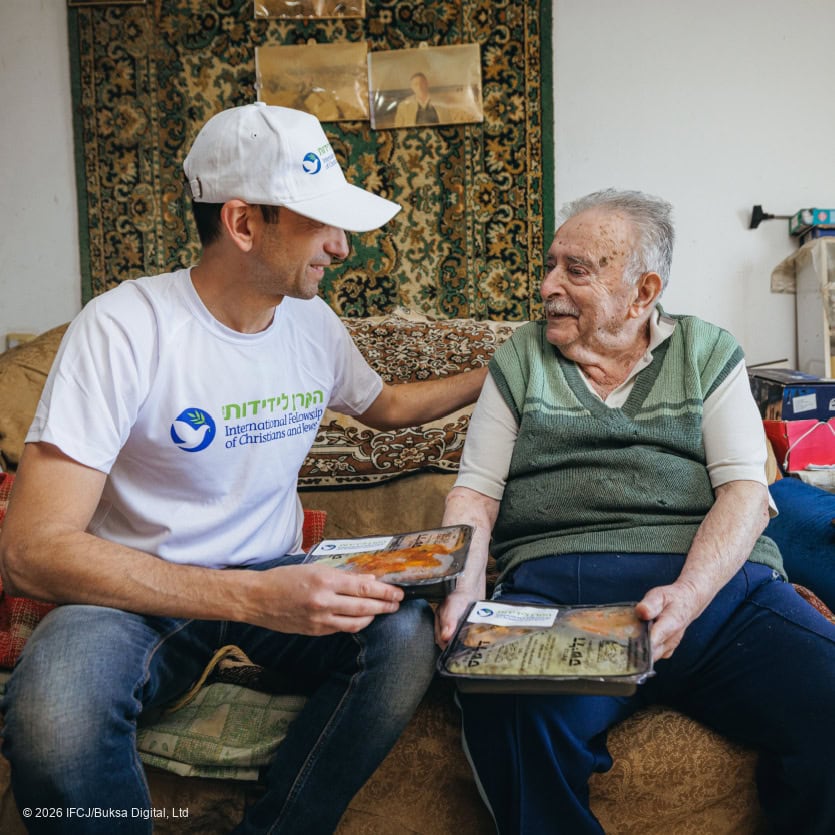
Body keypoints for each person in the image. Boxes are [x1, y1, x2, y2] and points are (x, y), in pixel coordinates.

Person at [0, 102, 487, 834]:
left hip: (277, 563)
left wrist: (492, 373)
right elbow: (32, 551)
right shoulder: (124, 327)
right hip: (130, 593)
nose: (341, 246)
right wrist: (255, 601)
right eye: (320, 222)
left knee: (401, 634)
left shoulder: (312, 322)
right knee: (52, 714)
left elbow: (382, 404)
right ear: (243, 223)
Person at [435, 189, 835, 834]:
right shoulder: (520, 357)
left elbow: (744, 492)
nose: (547, 286)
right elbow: (475, 493)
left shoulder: (707, 351)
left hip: (716, 590)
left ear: (643, 290)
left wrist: (688, 595)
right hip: (558, 595)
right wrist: (463, 592)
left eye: (577, 269)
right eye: (550, 265)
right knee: (505, 707)